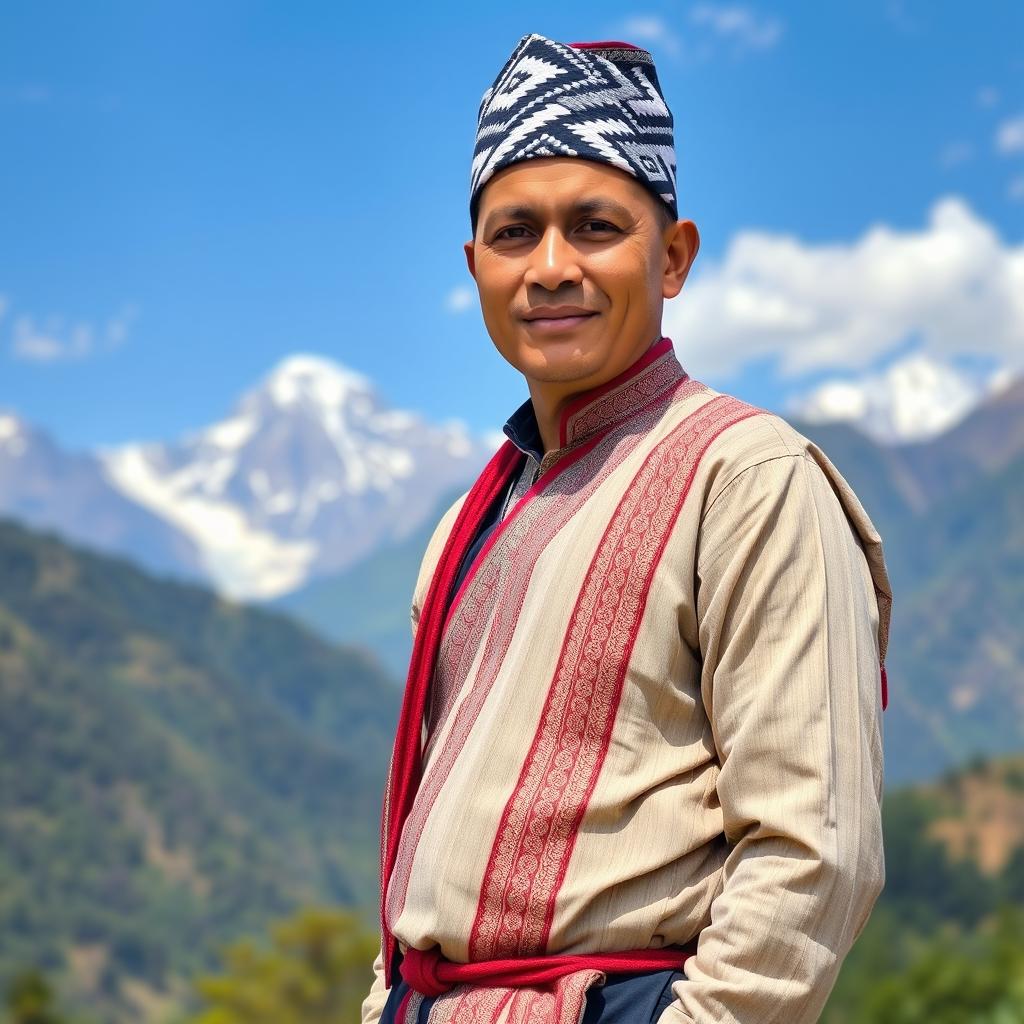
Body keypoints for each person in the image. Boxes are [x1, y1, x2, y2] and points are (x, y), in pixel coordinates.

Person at [362, 32, 892, 1024]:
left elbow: (813, 852)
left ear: (674, 255)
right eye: (515, 233)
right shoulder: (468, 524)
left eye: (596, 226)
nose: (551, 267)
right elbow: (424, 854)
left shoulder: (746, 477)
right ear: (474, 266)